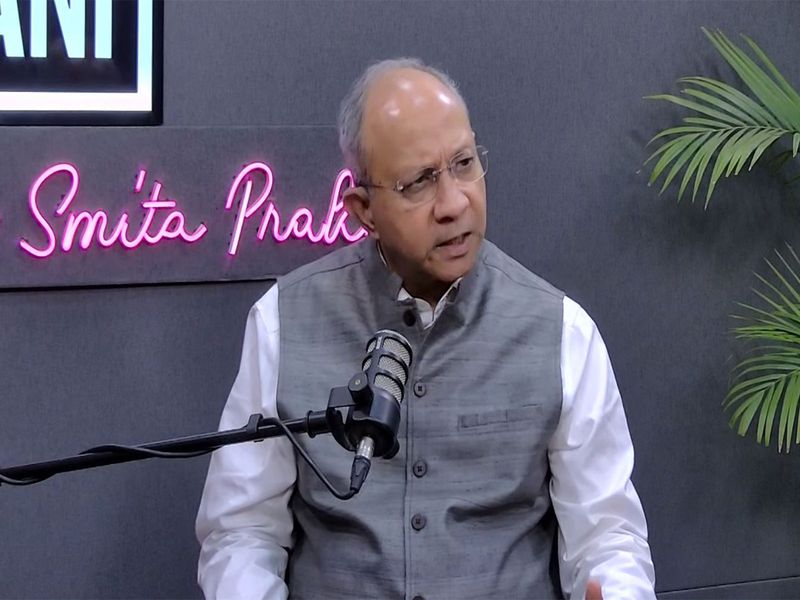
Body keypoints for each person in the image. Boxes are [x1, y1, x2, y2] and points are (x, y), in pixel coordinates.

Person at [196, 58, 656, 600]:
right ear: (363, 210)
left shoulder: (563, 332)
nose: (455, 203)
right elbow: (242, 532)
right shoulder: (281, 323)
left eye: (464, 163)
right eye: (419, 182)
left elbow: (607, 536)